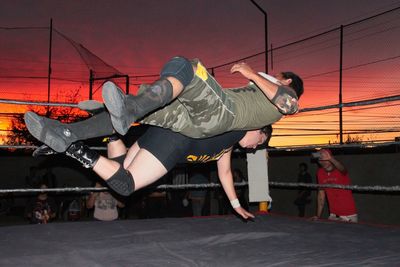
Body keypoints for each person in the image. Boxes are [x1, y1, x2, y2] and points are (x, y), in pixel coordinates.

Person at [24, 56, 303, 153]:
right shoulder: (260, 97)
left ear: (287, 81)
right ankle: (66, 134)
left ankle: (129, 107)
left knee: (189, 66)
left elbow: (291, 105)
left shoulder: (280, 101)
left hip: (221, 113)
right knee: (147, 110)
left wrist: (252, 73)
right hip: (196, 124)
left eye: (280, 77)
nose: (274, 75)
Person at [32, 123, 273, 220]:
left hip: (160, 136)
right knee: (125, 185)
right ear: (259, 128)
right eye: (259, 141)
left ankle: (110, 132)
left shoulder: (229, 145)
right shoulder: (238, 125)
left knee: (121, 169)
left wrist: (235, 205)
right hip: (173, 142)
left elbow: (226, 174)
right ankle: (72, 147)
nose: (254, 148)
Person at [312, 149, 358, 223]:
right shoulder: (320, 173)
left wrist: (331, 159)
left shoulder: (339, 169)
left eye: (325, 159)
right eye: (320, 160)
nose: (322, 162)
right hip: (333, 215)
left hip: (348, 216)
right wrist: (318, 216)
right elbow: (321, 196)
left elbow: (343, 170)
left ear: (331, 158)